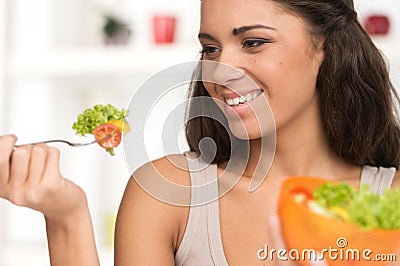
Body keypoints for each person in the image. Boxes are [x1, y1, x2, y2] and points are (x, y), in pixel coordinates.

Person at [1, 0, 399, 265]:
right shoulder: (168, 195)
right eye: (210, 49)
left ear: (326, 46)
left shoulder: (392, 202)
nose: (220, 70)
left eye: (253, 42)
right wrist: (66, 216)